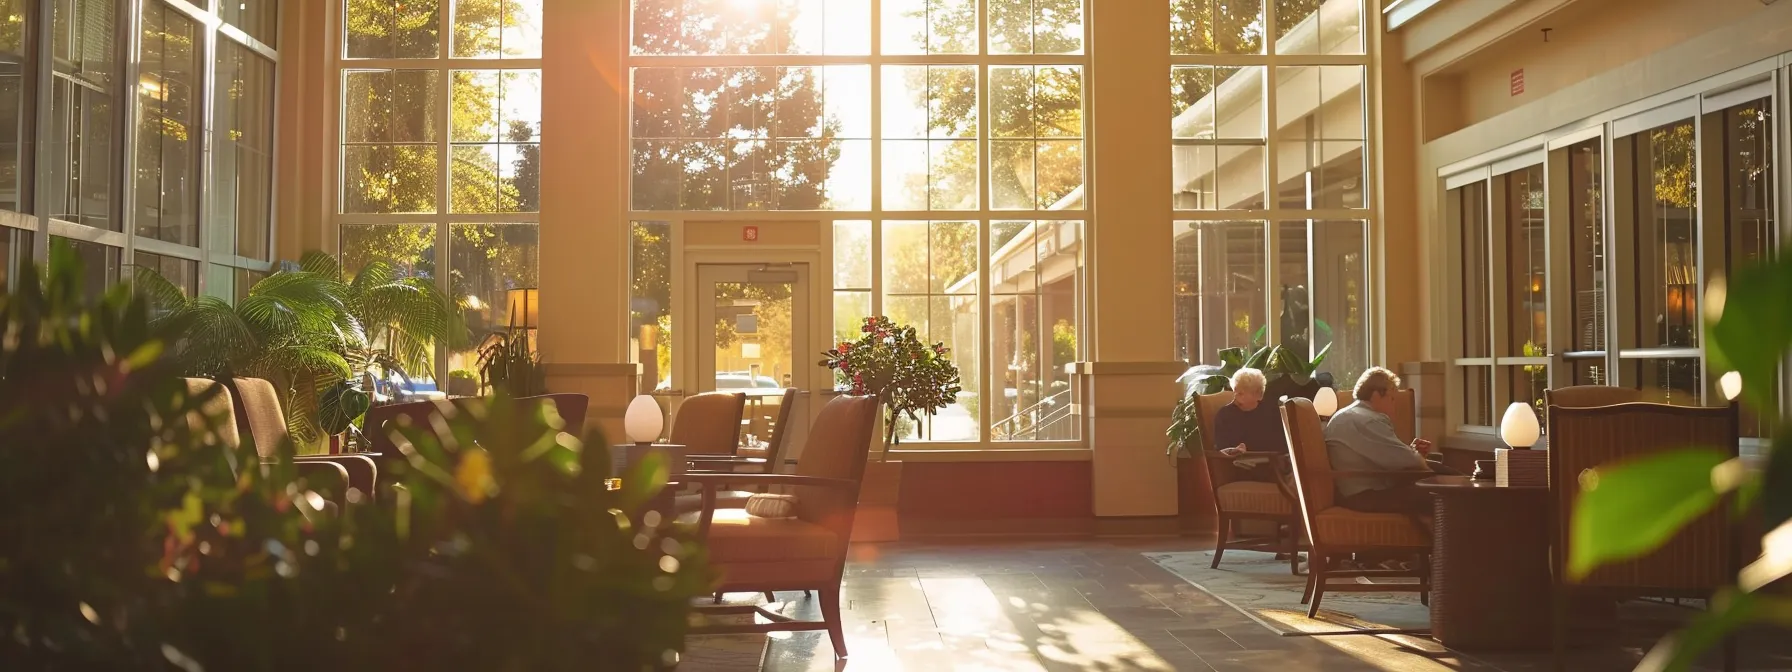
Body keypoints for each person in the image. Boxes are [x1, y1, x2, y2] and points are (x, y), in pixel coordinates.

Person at [1323, 367, 1457, 531]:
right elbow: (1411, 462)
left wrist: (1411, 454)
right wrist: (1414, 456)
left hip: (1355, 489)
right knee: (1446, 495)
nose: (1395, 405)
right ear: (1376, 395)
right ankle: (1451, 550)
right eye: (1392, 398)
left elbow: (1386, 456)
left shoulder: (1347, 415)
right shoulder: (1369, 420)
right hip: (1364, 495)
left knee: (1438, 477)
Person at [1213, 368, 1288, 482]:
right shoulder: (1224, 415)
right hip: (1240, 468)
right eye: (1235, 392)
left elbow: (1282, 445)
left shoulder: (1272, 413)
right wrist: (1235, 450)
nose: (1235, 398)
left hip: (1272, 464)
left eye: (1241, 394)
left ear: (1258, 395)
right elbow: (1221, 447)